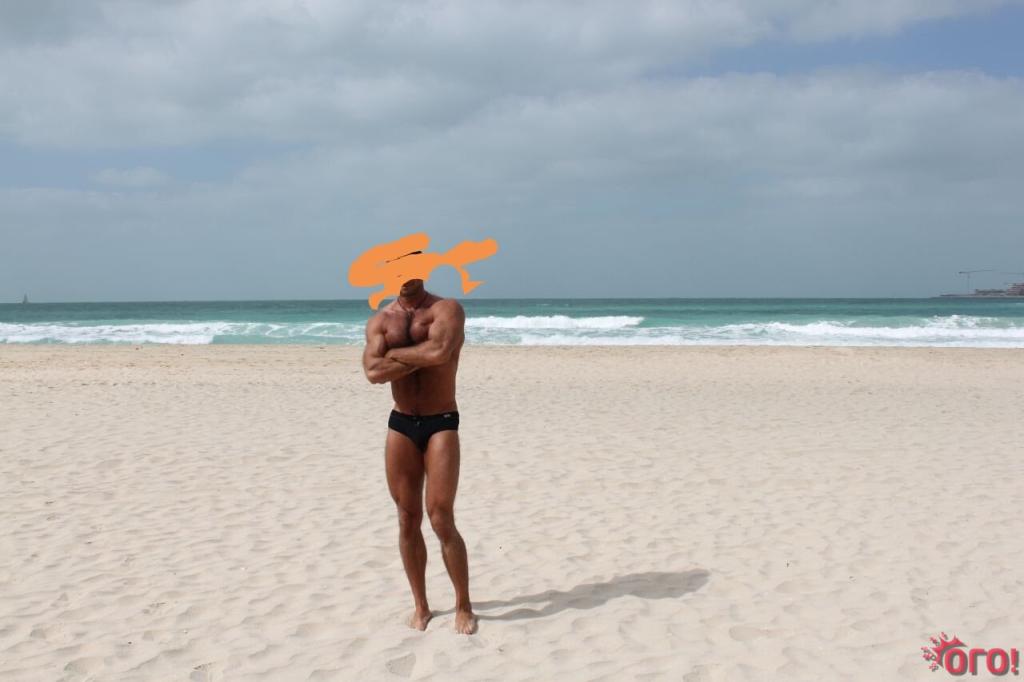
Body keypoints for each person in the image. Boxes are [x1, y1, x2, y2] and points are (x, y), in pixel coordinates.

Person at [361, 263, 478, 635]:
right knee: (406, 518)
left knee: (440, 516)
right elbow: (372, 373)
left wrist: (395, 357)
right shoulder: (381, 320)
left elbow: (440, 352)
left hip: (440, 420)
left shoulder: (447, 309)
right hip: (400, 423)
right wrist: (418, 356)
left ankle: (463, 605)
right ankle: (421, 605)